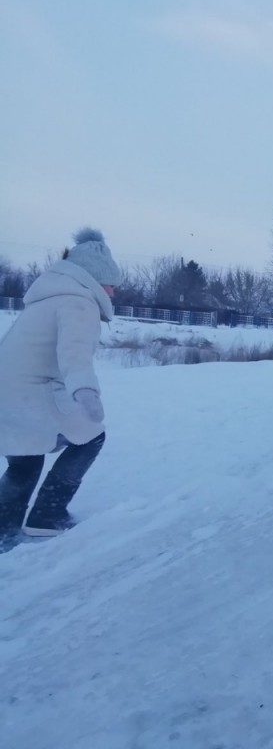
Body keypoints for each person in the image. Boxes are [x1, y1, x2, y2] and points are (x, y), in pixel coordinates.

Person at [0, 228, 121, 546]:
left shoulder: (46, 298)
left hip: (7, 394)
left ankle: (3, 528)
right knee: (91, 438)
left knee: (25, 460)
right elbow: (74, 353)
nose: (113, 292)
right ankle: (47, 516)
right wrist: (85, 391)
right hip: (32, 394)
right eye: (110, 284)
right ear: (94, 279)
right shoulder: (78, 303)